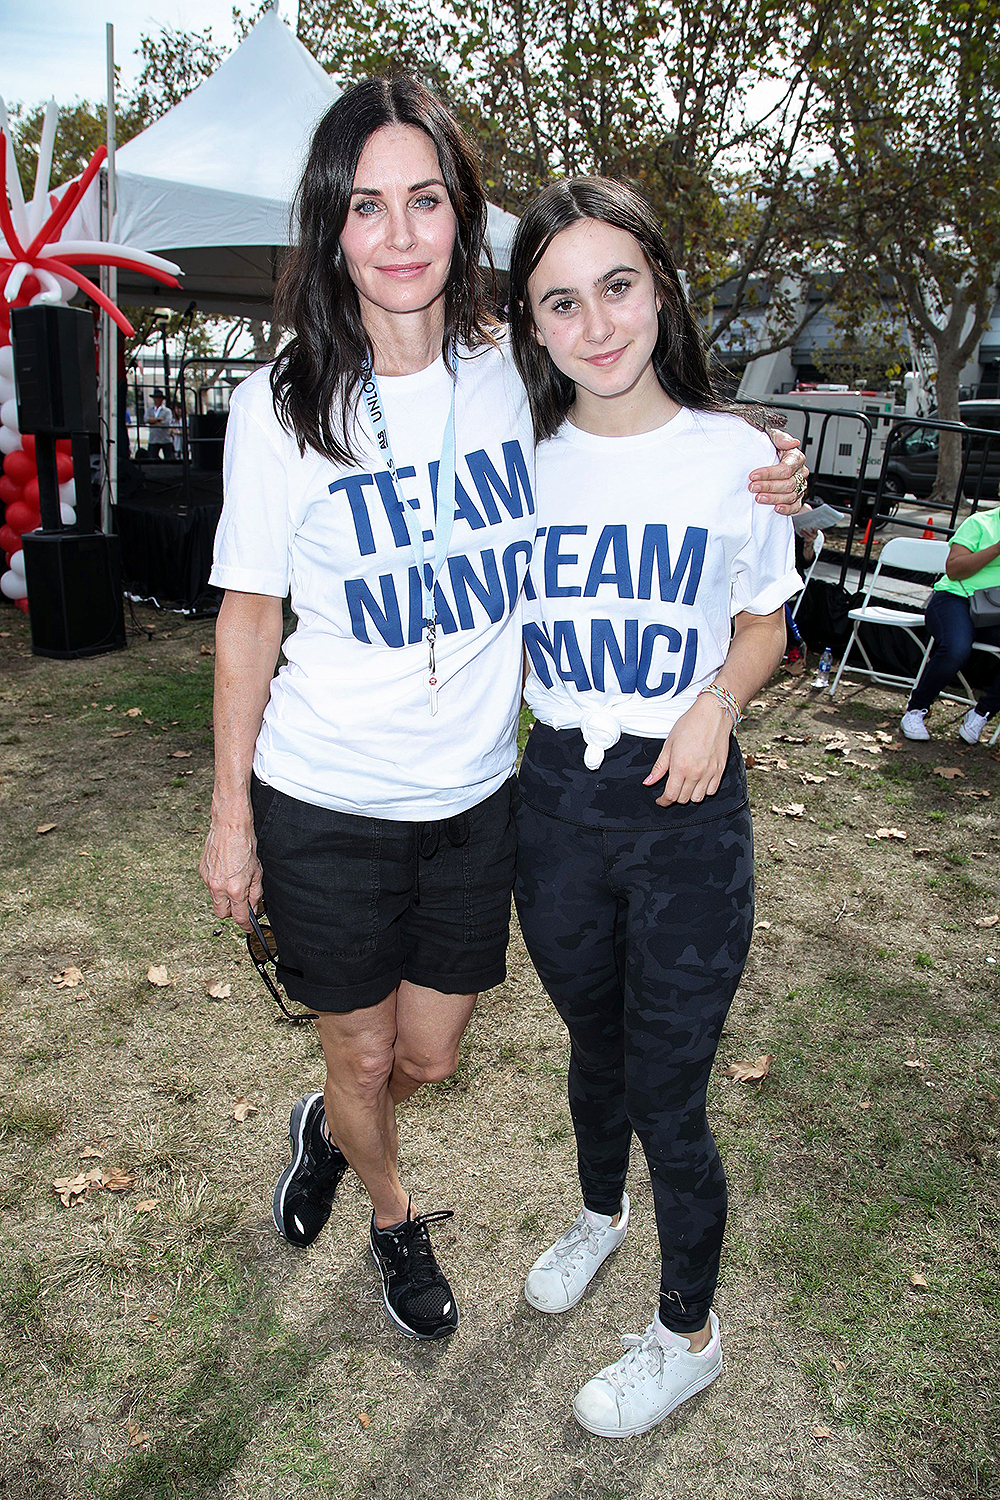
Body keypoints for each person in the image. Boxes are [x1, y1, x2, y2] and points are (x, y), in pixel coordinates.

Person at [199, 78, 808, 1345]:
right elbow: (251, 617)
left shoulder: (507, 368)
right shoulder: (281, 403)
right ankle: (388, 1213)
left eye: (426, 199)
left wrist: (766, 469)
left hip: (482, 796)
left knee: (426, 1056)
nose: (402, 233)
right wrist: (231, 814)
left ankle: (329, 1117)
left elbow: (641, 439)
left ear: (461, 215)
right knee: (363, 1055)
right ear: (331, 227)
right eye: (367, 207)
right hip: (324, 791)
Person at [507, 178, 800, 1437]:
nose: (596, 322)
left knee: (666, 1086)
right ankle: (598, 1213)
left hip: (682, 805)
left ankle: (688, 1331)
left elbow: (764, 619)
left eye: (616, 285)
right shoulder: (509, 466)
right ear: (531, 326)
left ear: (660, 286)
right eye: (560, 301)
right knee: (592, 1042)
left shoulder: (736, 456)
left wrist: (717, 703)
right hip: (555, 797)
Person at [900, 505, 1000, 744]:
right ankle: (917, 709)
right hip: (955, 599)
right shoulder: (980, 523)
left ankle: (981, 714)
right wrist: (996, 549)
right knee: (956, 648)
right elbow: (954, 570)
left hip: (994, 611)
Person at [144, 389, 173, 460]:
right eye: (156, 398)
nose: (157, 400)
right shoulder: (149, 410)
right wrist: (158, 419)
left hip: (165, 439)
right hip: (153, 438)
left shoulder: (167, 411)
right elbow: (146, 419)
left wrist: (152, 421)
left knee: (169, 458)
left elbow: (166, 423)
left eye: (159, 398)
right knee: (152, 458)